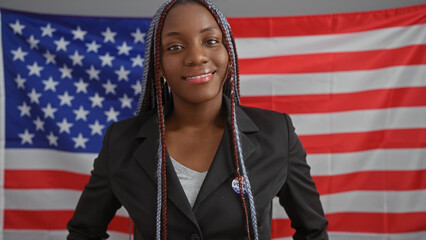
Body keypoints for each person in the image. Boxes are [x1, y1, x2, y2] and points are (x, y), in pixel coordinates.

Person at [67, 0, 329, 239]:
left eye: (210, 41)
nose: (196, 57)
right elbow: (83, 232)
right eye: (176, 47)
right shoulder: (121, 142)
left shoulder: (276, 134)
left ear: (229, 53)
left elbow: (313, 231)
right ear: (158, 67)